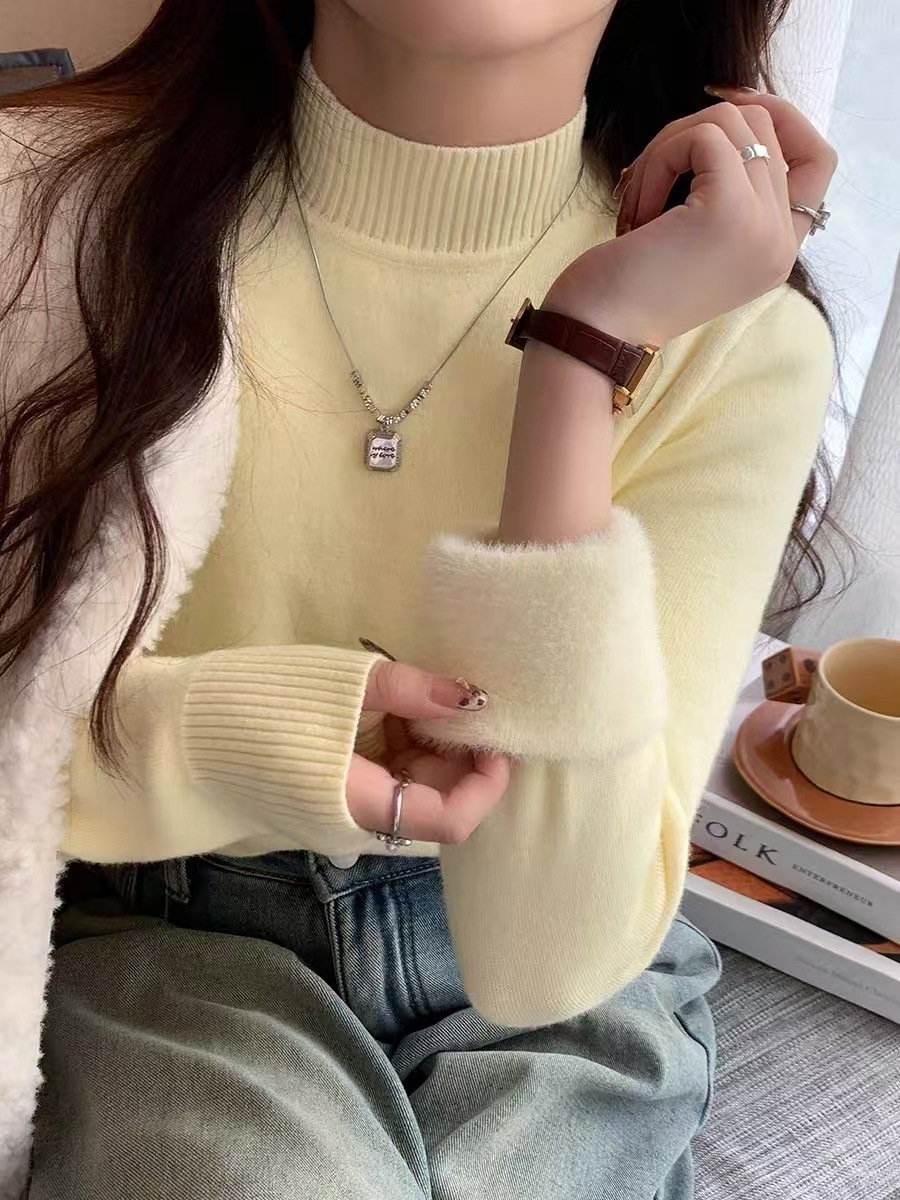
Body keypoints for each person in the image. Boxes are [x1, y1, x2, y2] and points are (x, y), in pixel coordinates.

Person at [0, 1, 840, 1197]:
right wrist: (237, 738)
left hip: (562, 1007)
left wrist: (584, 351)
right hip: (170, 939)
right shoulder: (44, 212)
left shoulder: (733, 330)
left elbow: (551, 957)